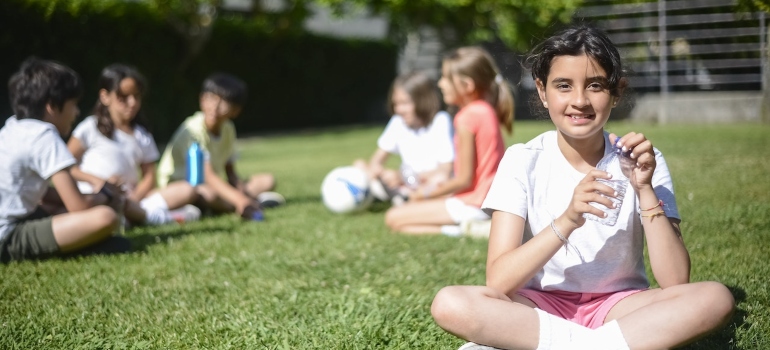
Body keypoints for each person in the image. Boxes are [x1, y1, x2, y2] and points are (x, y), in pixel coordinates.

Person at [430, 24, 734, 350]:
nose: (579, 100)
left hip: (618, 307)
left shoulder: (643, 160)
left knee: (714, 297)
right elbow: (500, 280)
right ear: (542, 91)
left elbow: (675, 281)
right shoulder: (522, 160)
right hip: (538, 306)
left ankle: (552, 344)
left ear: (616, 92)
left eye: (595, 86)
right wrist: (568, 219)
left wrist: (644, 188)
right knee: (450, 303)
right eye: (563, 85)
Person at [0, 57, 127, 263]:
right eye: (73, 104)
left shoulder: (13, 126)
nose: (76, 112)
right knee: (106, 217)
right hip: (7, 235)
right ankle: (82, 246)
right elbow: (78, 206)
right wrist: (106, 193)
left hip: (19, 217)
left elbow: (41, 194)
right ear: (51, 106)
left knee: (60, 209)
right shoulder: (44, 135)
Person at [385, 47, 514, 235]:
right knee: (401, 224)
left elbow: (464, 179)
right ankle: (465, 227)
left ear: (467, 85)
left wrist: (424, 194)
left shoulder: (467, 117)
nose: (440, 83)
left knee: (393, 217)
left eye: (446, 78)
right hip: (487, 201)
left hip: (474, 204)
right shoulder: (485, 110)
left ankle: (470, 229)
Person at [67, 64, 200, 226]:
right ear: (105, 96)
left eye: (136, 96)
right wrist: (99, 182)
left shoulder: (141, 134)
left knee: (187, 189)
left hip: (132, 199)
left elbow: (150, 176)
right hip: (96, 197)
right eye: (123, 97)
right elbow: (66, 165)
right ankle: (158, 217)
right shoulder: (90, 128)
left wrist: (134, 198)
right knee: (107, 209)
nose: (132, 103)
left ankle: (136, 214)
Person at [156, 73, 283, 220]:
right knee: (209, 194)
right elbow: (208, 176)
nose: (215, 107)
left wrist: (239, 187)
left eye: (224, 102)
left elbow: (230, 170)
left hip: (214, 185)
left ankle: (240, 202)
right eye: (211, 98)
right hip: (183, 188)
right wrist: (240, 200)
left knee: (267, 180)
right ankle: (247, 203)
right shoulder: (192, 130)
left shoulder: (228, 128)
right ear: (202, 99)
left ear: (236, 110)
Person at [353, 72, 454, 204]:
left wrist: (403, 177)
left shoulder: (440, 121)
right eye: (396, 104)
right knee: (359, 165)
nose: (399, 110)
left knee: (440, 179)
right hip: (404, 185)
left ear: (423, 100)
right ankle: (396, 196)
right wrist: (383, 173)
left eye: (405, 103)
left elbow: (445, 170)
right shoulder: (398, 122)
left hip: (427, 183)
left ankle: (398, 198)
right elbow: (376, 161)